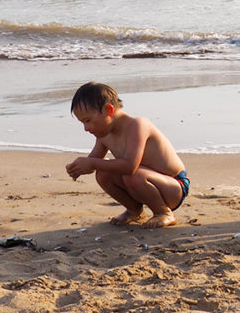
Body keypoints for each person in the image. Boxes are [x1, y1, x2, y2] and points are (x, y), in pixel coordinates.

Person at [65, 82, 189, 229]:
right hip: (142, 182)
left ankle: (163, 212)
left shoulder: (137, 125)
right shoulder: (104, 134)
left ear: (108, 110)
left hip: (173, 186)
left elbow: (130, 166)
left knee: (133, 175)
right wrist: (78, 167)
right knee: (103, 173)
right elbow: (94, 162)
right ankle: (134, 210)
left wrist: (91, 163)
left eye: (88, 121)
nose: (86, 128)